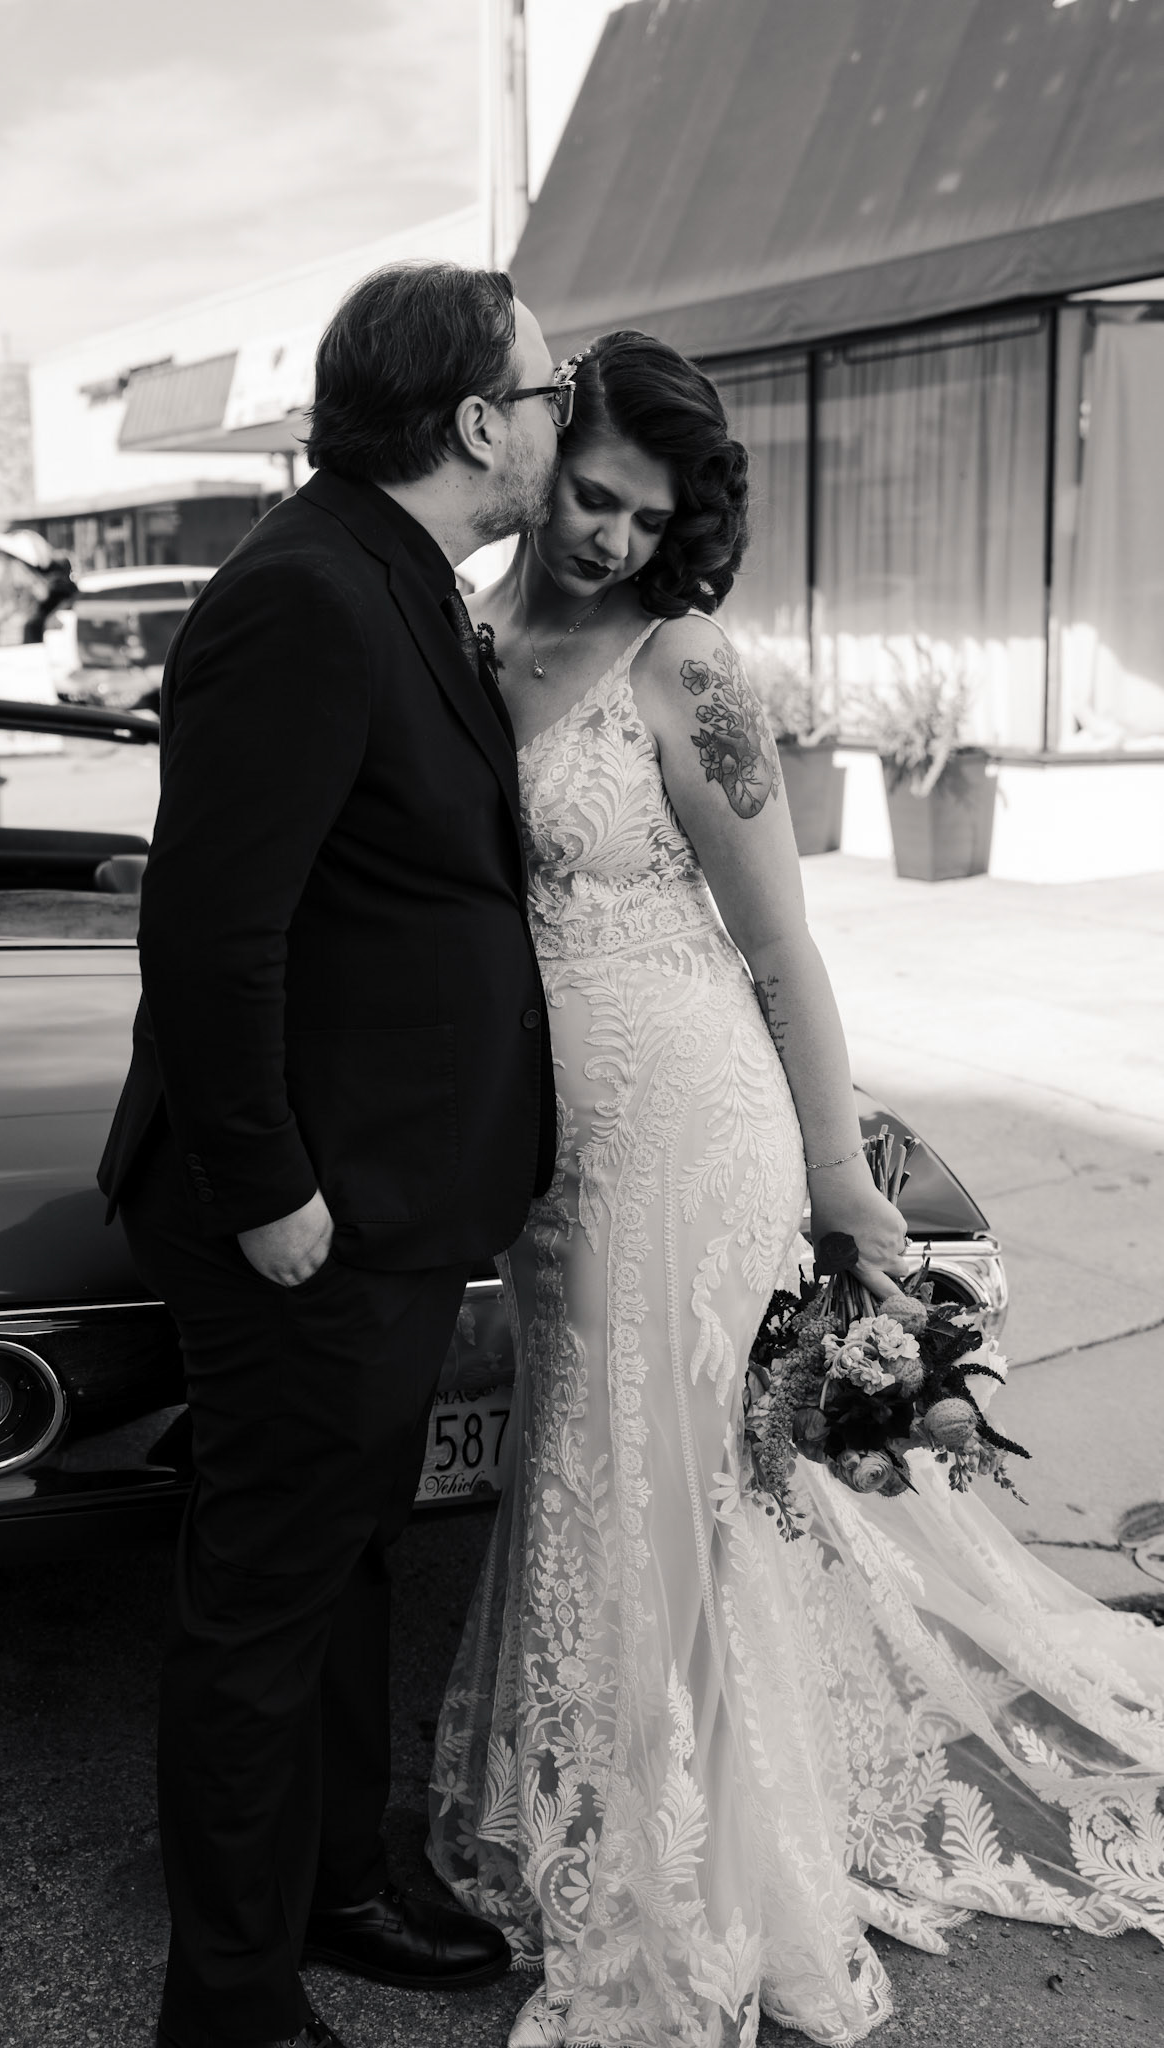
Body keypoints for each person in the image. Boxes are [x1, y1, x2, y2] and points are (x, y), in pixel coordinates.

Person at [428, 330, 1164, 2047]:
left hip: (689, 1130)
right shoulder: (458, 631)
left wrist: (841, 1176)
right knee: (586, 1475)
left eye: (646, 517)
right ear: (541, 453)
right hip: (545, 1149)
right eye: (592, 496)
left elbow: (781, 949)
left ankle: (672, 1884)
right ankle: (592, 1813)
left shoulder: (683, 664)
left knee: (663, 1500)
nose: (611, 537)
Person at [98, 261, 569, 2048]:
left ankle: (336, 1886)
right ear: (475, 422)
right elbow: (211, 934)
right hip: (304, 1209)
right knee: (264, 1601)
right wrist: (272, 1193)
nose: (559, 416)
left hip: (387, 1193)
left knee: (346, 1554)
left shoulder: (394, 576)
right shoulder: (302, 591)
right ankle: (227, 2005)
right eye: (546, 391)